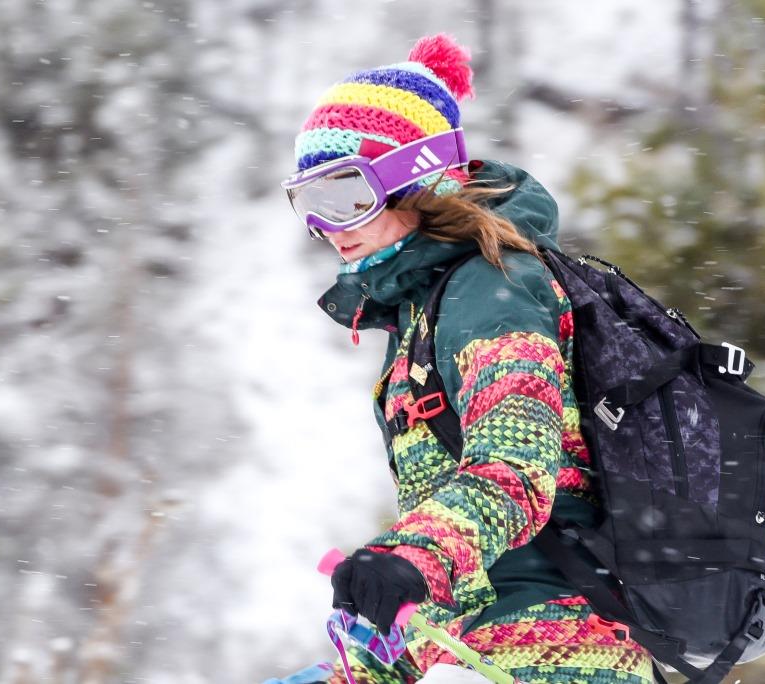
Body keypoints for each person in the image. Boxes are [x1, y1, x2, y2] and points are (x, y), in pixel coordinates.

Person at [280, 35, 656, 684]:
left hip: (559, 649)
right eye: (309, 205)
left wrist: (409, 556)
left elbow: (517, 467)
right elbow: (453, 586)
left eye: (344, 196)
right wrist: (363, 666)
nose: (328, 227)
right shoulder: (422, 311)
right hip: (485, 649)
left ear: (410, 181)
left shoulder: (492, 291)